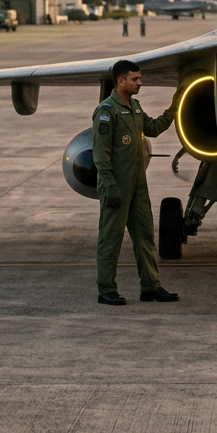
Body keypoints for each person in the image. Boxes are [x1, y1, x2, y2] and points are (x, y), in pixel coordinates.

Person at [93, 59, 184, 305]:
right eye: (135, 79)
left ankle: (151, 287)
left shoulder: (134, 108)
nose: (140, 83)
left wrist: (174, 109)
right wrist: (109, 185)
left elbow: (153, 128)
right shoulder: (106, 112)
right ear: (120, 81)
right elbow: (100, 155)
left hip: (137, 185)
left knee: (145, 236)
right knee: (110, 238)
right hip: (116, 187)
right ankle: (106, 290)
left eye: (139, 78)